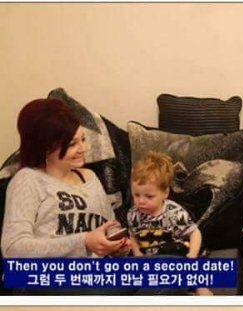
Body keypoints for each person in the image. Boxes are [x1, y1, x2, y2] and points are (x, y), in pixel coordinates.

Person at [1, 98, 130, 259]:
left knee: (159, 265)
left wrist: (118, 246)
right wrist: (83, 241)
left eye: (83, 139)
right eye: (72, 144)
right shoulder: (27, 180)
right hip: (52, 272)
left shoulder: (90, 177)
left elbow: (110, 228)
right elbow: (13, 249)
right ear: (45, 146)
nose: (83, 149)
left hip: (99, 270)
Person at [127, 152, 213, 295]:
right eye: (136, 195)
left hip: (177, 252)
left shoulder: (175, 213)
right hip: (151, 258)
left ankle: (200, 287)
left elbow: (195, 233)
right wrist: (137, 254)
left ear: (165, 193)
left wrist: (192, 255)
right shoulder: (133, 214)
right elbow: (133, 235)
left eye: (149, 196)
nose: (141, 201)